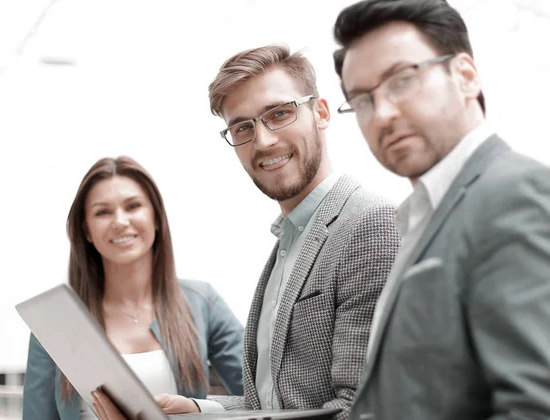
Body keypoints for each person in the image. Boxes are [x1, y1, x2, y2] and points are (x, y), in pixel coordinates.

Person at [99, 45, 400, 420]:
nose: (263, 141)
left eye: (279, 113)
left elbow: (363, 408)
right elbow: (274, 408)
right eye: (243, 127)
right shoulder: (288, 244)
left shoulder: (370, 224)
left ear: (320, 112)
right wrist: (196, 411)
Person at [332, 1, 550, 419]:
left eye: (402, 80)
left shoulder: (515, 195)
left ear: (465, 76)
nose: (383, 113)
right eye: (362, 100)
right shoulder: (422, 217)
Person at [22, 156, 244, 420]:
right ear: (87, 231)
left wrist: (200, 409)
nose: (120, 221)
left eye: (133, 206)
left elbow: (265, 396)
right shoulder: (56, 322)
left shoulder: (202, 302)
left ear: (156, 218)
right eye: (102, 212)